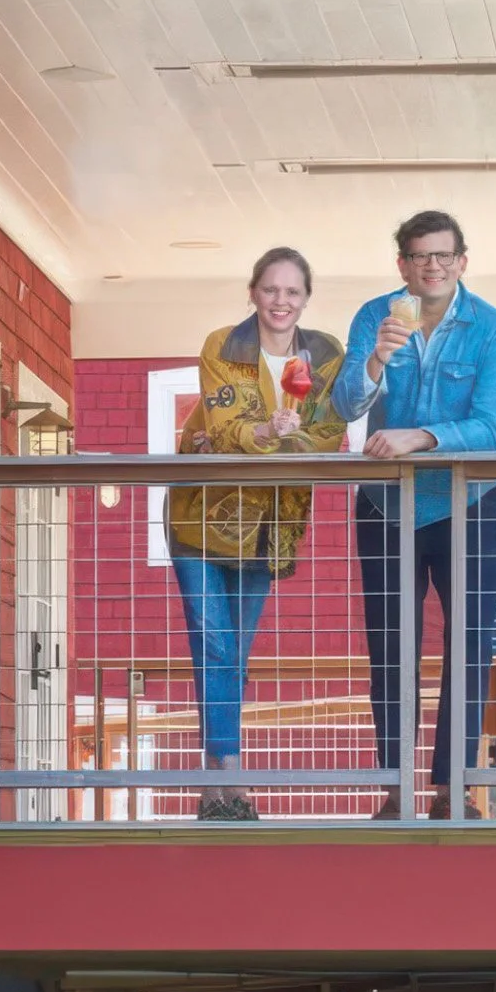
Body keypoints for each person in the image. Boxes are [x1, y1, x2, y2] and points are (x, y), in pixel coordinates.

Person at [333, 210, 496, 819]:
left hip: (467, 502)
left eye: (443, 256)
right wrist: (376, 360)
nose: (431, 266)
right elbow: (345, 405)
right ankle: (394, 786)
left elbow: (491, 427)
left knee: (470, 646)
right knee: (392, 647)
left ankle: (451, 786)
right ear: (403, 265)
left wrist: (422, 436)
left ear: (462, 261)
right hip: (387, 503)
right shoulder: (375, 317)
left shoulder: (492, 328)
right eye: (419, 257)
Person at [167, 248, 346, 819]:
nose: (281, 301)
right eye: (271, 289)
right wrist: (270, 430)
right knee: (214, 646)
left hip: (270, 528)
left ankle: (216, 784)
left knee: (234, 656)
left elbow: (328, 433)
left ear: (306, 299)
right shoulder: (224, 346)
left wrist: (288, 437)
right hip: (202, 519)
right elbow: (225, 428)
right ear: (253, 292)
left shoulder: (325, 355)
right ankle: (228, 780)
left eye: (293, 292)